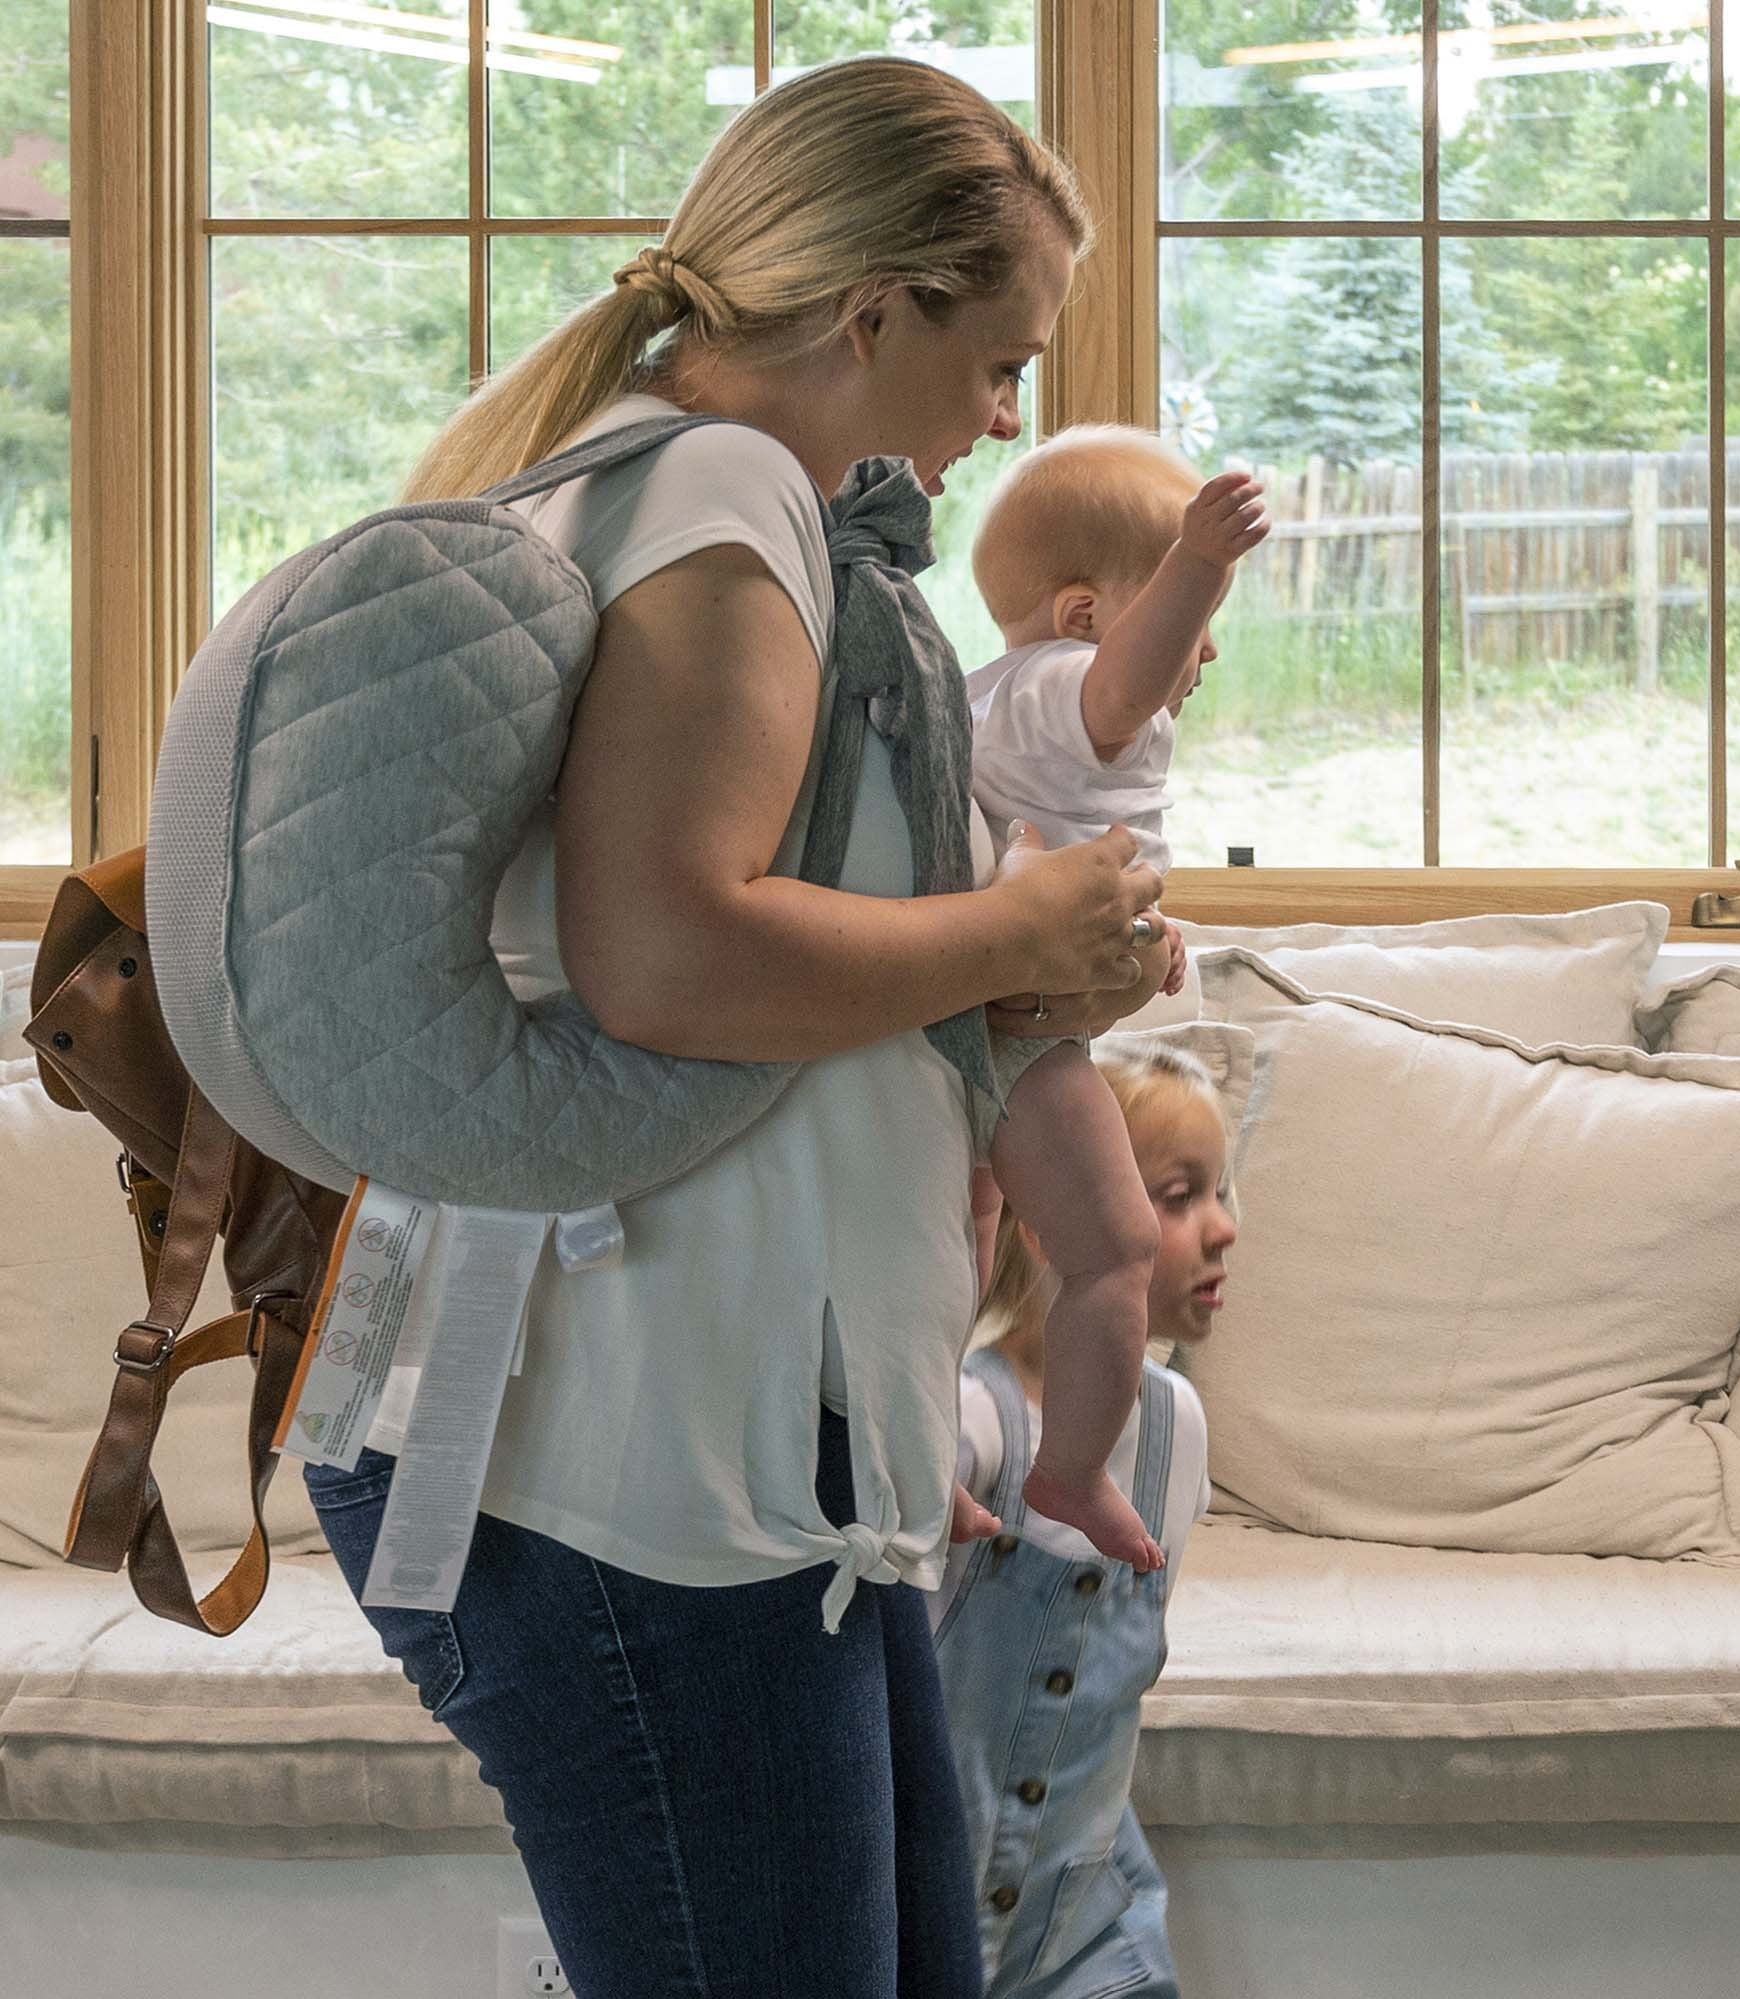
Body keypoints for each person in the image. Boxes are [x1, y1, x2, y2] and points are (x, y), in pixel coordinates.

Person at [299, 57, 1172, 1999]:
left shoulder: (747, 524)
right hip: (629, 1463)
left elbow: (840, 957)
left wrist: (1030, 959)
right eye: (998, 357)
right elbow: (670, 957)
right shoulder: (712, 506)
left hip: (742, 1459)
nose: (1003, 416)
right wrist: (1016, 920)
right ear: (875, 314)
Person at [957, 427, 1266, 1576]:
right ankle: (1072, 1464)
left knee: (964, 1237)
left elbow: (1058, 851)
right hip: (1028, 1045)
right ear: (1086, 616)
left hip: (988, 1024)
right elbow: (1125, 683)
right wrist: (1200, 560)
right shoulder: (1059, 691)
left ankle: (919, 1458)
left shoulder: (1013, 709)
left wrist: (1145, 928)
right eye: (1186, 616)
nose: (1206, 647)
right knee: (1116, 1250)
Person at [934, 1037, 1239, 1999]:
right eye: (1177, 1195)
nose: (1222, 1227)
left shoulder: (1172, 1433)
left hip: (1085, 1927)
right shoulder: (974, 1422)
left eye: (1221, 1192)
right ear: (1051, 1224)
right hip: (934, 1902)